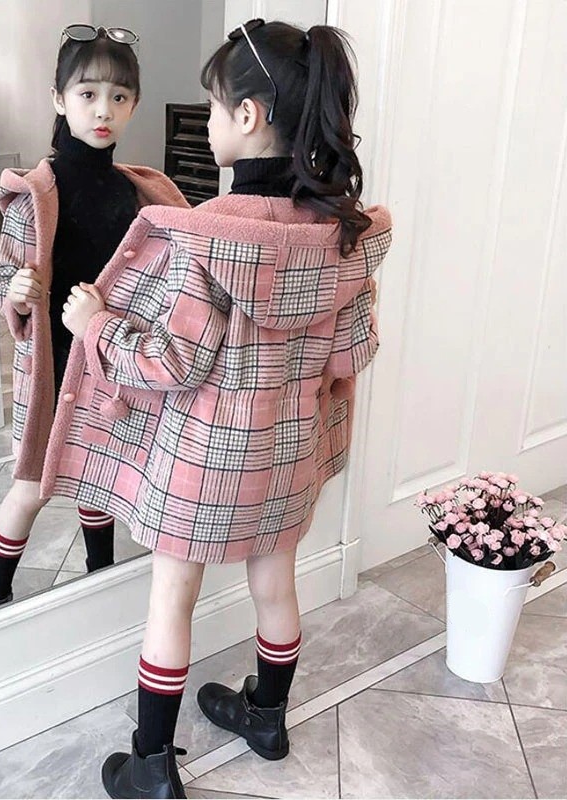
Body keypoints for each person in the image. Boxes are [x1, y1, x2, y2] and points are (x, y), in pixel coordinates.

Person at [47, 19, 393, 798]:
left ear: (248, 115)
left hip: (201, 465)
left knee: (173, 597)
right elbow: (350, 357)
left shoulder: (203, 237)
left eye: (211, 106)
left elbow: (168, 363)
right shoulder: (344, 236)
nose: (208, 121)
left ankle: (151, 764)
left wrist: (94, 324)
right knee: (276, 584)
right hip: (289, 456)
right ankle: (266, 719)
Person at [0, 24, 188, 615]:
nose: (103, 110)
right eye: (88, 94)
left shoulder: (142, 194)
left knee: (100, 475)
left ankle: (99, 573)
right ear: (59, 99)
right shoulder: (35, 194)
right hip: (52, 367)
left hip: (107, 359)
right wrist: (17, 291)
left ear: (134, 104)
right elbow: (4, 276)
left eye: (119, 96)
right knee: (30, 488)